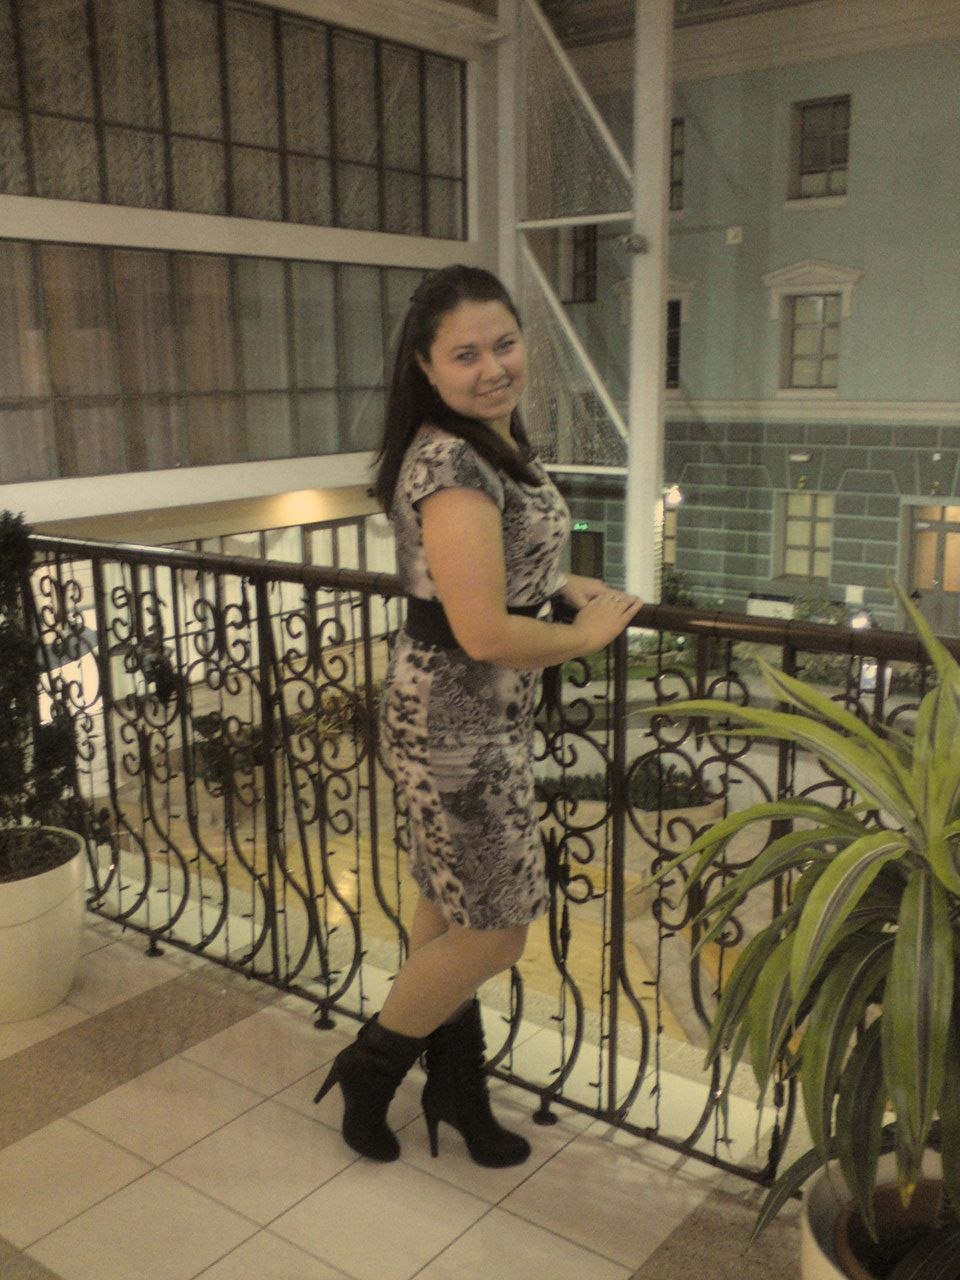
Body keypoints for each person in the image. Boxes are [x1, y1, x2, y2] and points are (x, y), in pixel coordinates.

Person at [315, 264, 639, 1167]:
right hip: (456, 724)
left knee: (449, 906)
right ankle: (370, 1066)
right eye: (466, 355)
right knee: (496, 930)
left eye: (505, 344)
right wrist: (584, 637)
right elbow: (485, 631)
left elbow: (495, 561)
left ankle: (455, 1087)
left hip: (464, 715)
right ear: (426, 366)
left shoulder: (488, 441)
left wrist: (559, 583)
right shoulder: (453, 465)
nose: (493, 367)